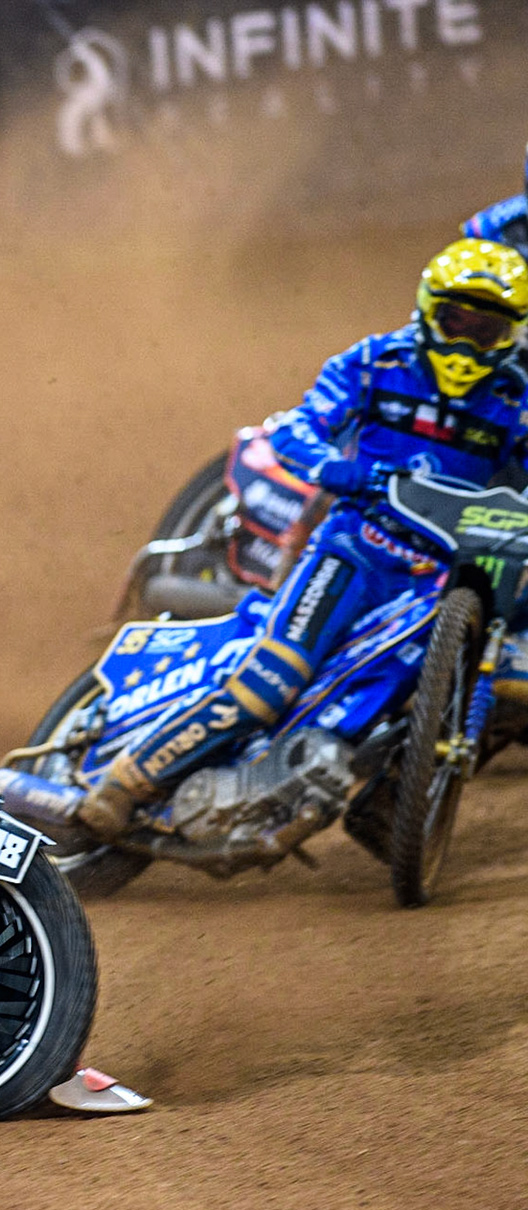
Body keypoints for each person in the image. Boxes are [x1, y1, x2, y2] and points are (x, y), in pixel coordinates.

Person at [78, 238, 528, 837]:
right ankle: (127, 780)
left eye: (488, 330)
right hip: (355, 551)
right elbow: (296, 429)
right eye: (456, 321)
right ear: (428, 310)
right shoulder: (374, 362)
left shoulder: (515, 397)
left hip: (437, 578)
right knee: (274, 679)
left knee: (440, 685)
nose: (468, 342)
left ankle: (388, 803)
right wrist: (333, 467)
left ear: (512, 335)